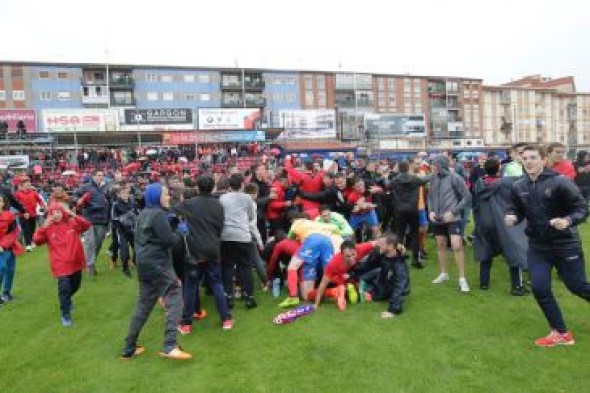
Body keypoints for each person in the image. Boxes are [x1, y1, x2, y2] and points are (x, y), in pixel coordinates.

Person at [505, 144, 590, 347]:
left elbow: (581, 208)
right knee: (539, 288)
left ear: (544, 160)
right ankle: (560, 333)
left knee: (576, 286)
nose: (529, 162)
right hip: (538, 246)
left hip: (565, 244)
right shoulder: (519, 186)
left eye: (533, 158)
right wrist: (513, 216)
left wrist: (568, 220)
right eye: (525, 158)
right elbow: (516, 208)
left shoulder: (560, 182)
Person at [121, 183, 190, 360]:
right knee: (175, 297)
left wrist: (170, 224)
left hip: (144, 264)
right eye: (166, 194)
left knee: (143, 305)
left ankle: (129, 347)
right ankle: (169, 345)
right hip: (158, 264)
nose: (168, 197)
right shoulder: (158, 214)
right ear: (157, 196)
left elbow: (151, 237)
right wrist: (179, 231)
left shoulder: (144, 213)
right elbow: (169, 242)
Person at [173, 175, 233, 334]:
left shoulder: (190, 203)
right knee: (217, 285)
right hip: (213, 249)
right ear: (212, 188)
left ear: (198, 188)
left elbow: (172, 210)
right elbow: (220, 227)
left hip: (195, 252)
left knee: (191, 286)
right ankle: (226, 319)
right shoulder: (218, 205)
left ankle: (186, 323)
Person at [472, 158, 528, 295]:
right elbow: (524, 178)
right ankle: (517, 286)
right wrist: (523, 162)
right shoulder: (506, 182)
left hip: (484, 222)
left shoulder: (478, 184)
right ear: (499, 168)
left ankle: (484, 283)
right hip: (502, 222)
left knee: (486, 252)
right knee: (513, 252)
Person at [32, 203, 90, 326]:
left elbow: (86, 225)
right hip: (60, 264)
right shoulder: (48, 228)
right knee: (64, 289)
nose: (56, 215)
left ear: (63, 212)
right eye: (53, 213)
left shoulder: (72, 223)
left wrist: (72, 214)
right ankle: (65, 315)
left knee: (75, 286)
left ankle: (68, 300)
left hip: (75, 262)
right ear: (49, 215)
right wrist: (44, 226)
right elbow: (36, 241)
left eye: (58, 212)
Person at [428, 155, 472, 292]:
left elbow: (467, 197)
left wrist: (453, 212)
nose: (432, 167)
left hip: (453, 218)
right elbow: (430, 197)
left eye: (434, 165)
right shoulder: (433, 178)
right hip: (437, 218)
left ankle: (462, 278)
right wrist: (430, 211)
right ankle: (443, 273)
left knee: (457, 246)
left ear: (441, 165)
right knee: (440, 245)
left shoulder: (455, 178)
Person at [219, 173, 258, 310]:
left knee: (228, 267)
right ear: (242, 184)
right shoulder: (247, 198)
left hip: (227, 236)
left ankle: (228, 296)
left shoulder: (223, 198)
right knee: (245, 267)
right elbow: (251, 216)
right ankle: (249, 297)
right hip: (242, 236)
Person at [350, 234, 410, 319]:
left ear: (390, 246)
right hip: (382, 280)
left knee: (370, 291)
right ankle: (360, 285)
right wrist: (352, 271)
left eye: (381, 243)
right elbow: (368, 265)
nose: (379, 245)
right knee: (361, 276)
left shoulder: (399, 266)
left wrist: (393, 310)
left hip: (387, 289)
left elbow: (400, 286)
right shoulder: (384, 254)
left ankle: (363, 292)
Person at [312, 239, 376, 311]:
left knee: (360, 271)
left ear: (356, 250)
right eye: (348, 256)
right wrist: (316, 304)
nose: (351, 258)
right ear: (342, 254)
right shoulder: (333, 264)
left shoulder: (361, 248)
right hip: (335, 279)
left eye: (353, 254)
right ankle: (336, 291)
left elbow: (378, 242)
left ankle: (355, 290)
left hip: (349, 276)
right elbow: (322, 285)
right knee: (310, 295)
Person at [389, 161, 430, 268]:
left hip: (400, 210)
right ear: (407, 168)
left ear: (399, 168)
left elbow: (387, 186)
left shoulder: (395, 180)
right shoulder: (414, 179)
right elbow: (424, 180)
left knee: (400, 234)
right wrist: (433, 173)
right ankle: (416, 259)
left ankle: (398, 257)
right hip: (413, 210)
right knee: (415, 234)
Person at [74, 170, 111, 276]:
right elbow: (75, 196)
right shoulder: (86, 187)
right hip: (88, 219)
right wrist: (79, 200)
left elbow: (111, 200)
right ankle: (89, 265)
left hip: (102, 219)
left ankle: (91, 262)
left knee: (98, 243)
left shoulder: (106, 188)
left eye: (102, 175)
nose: (100, 177)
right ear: (93, 176)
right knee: (90, 242)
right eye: (98, 175)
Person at [0, 193, 25, 305]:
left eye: (0, 201)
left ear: (3, 203)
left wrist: (3, 245)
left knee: (10, 270)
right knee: (1, 268)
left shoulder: (9, 215)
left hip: (8, 247)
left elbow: (14, 231)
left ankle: (6, 293)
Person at [111, 185, 137, 278]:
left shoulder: (132, 203)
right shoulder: (116, 205)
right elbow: (114, 219)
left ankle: (135, 261)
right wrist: (121, 226)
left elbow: (136, 215)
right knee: (124, 250)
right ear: (118, 194)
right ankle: (125, 268)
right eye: (123, 193)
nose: (125, 195)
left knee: (137, 248)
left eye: (127, 193)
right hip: (122, 231)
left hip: (133, 230)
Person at [15, 178, 46, 252]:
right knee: (26, 230)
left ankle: (31, 242)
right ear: (23, 185)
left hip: (33, 214)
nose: (28, 185)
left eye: (29, 183)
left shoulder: (33, 192)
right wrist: (19, 210)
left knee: (32, 229)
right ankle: (28, 245)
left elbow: (39, 200)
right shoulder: (18, 193)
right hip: (23, 214)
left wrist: (41, 206)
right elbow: (15, 203)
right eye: (26, 183)